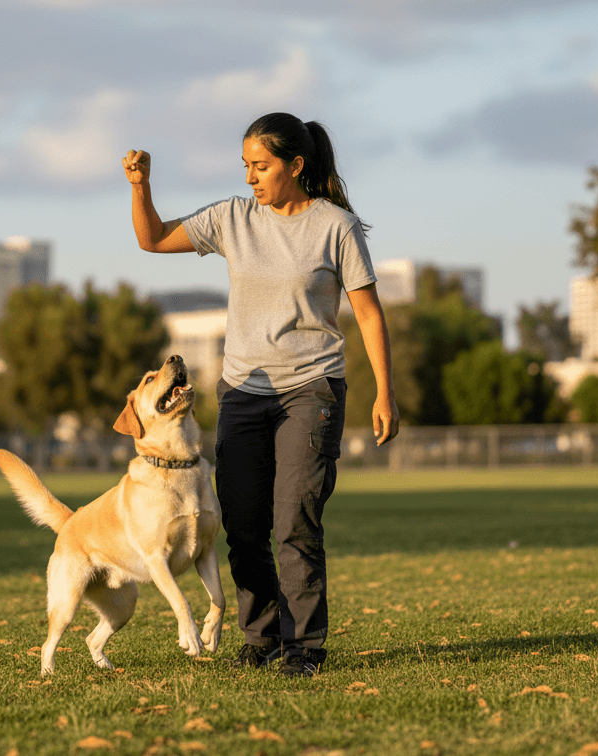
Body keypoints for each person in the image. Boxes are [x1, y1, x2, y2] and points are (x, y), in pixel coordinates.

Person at [123, 112, 399, 677]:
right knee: (244, 526)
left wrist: (385, 394)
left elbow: (368, 315)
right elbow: (151, 239)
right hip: (244, 393)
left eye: (261, 166)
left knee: (295, 518)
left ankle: (305, 646)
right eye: (246, 166)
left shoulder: (335, 227)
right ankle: (263, 636)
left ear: (295, 166)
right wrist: (140, 186)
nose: (250, 177)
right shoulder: (232, 218)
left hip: (312, 388)